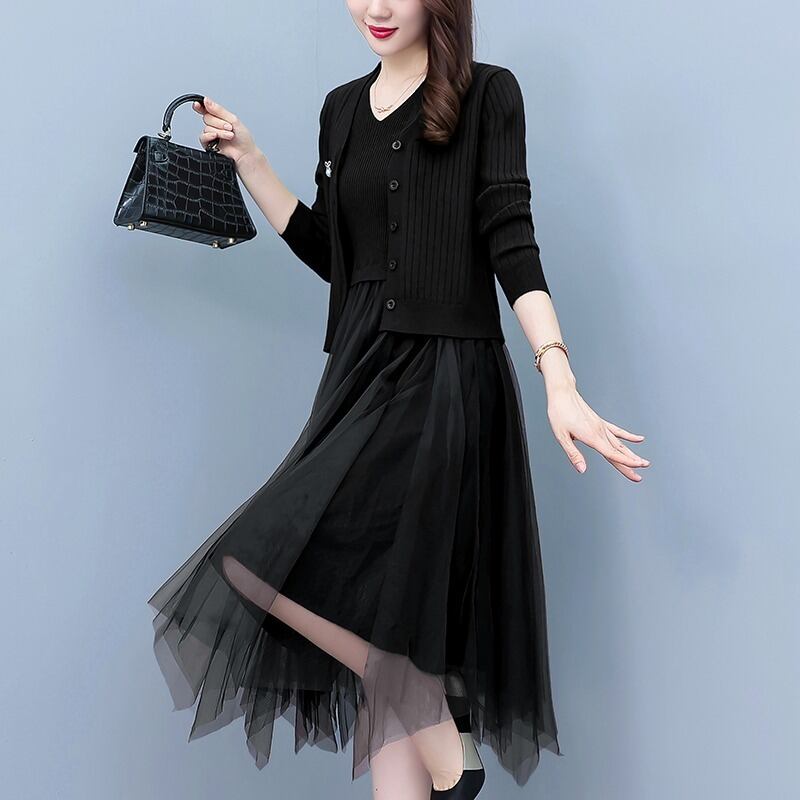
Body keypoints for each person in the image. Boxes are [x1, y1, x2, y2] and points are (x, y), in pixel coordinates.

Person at [147, 2, 650, 798]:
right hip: (357, 378)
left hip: (446, 384)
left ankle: (436, 727)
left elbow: (511, 237)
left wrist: (559, 377)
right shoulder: (340, 109)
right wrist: (252, 162)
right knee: (384, 639)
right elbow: (340, 260)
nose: (376, 7)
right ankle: (430, 729)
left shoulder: (488, 94)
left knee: (288, 572)